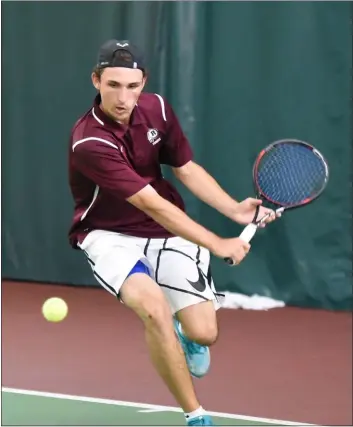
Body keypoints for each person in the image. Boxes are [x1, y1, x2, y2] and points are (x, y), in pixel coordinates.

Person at [68, 39, 279, 426]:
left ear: (143, 82)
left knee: (205, 334)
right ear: (96, 81)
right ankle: (195, 415)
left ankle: (187, 333)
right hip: (109, 235)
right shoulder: (90, 141)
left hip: (166, 234)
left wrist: (234, 209)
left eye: (132, 86)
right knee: (153, 308)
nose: (123, 97)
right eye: (113, 85)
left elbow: (185, 168)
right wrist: (217, 243)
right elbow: (152, 204)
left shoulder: (158, 109)